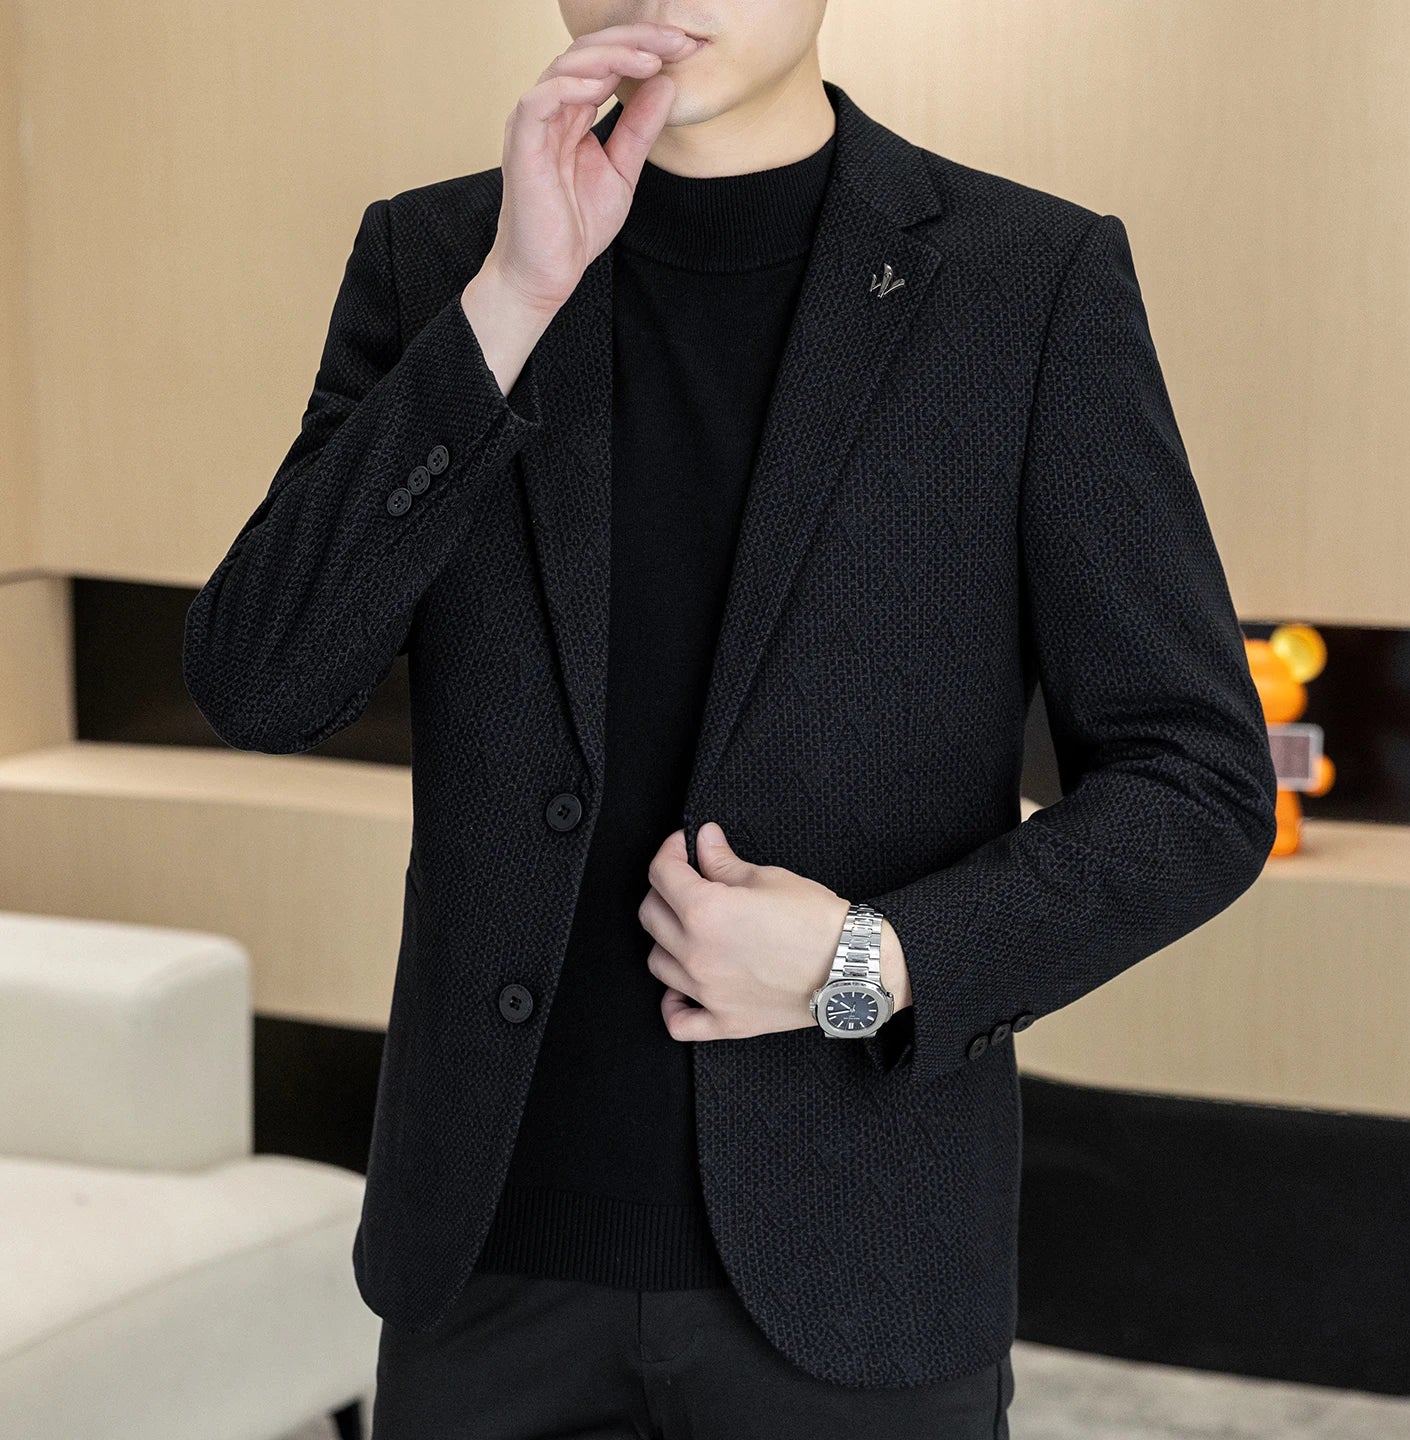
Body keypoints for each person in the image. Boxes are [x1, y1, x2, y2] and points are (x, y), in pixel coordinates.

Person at [182, 3, 1278, 1437]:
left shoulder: (1028, 279)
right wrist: (509, 302)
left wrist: (868, 962)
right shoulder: (440, 259)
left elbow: (1198, 782)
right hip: (490, 1269)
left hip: (860, 1278)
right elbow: (261, 680)